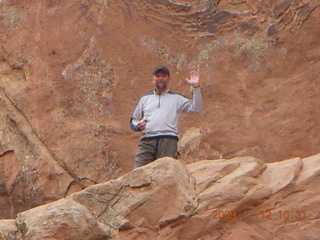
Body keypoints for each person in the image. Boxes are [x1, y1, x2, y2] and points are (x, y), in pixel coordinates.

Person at [130, 66, 202, 168]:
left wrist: (196, 87)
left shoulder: (176, 97)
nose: (160, 78)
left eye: (163, 76)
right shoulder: (145, 99)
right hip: (147, 140)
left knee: (166, 172)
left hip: (168, 140)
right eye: (158, 76)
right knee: (138, 171)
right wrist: (138, 126)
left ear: (168, 78)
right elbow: (133, 120)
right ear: (153, 78)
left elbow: (196, 108)